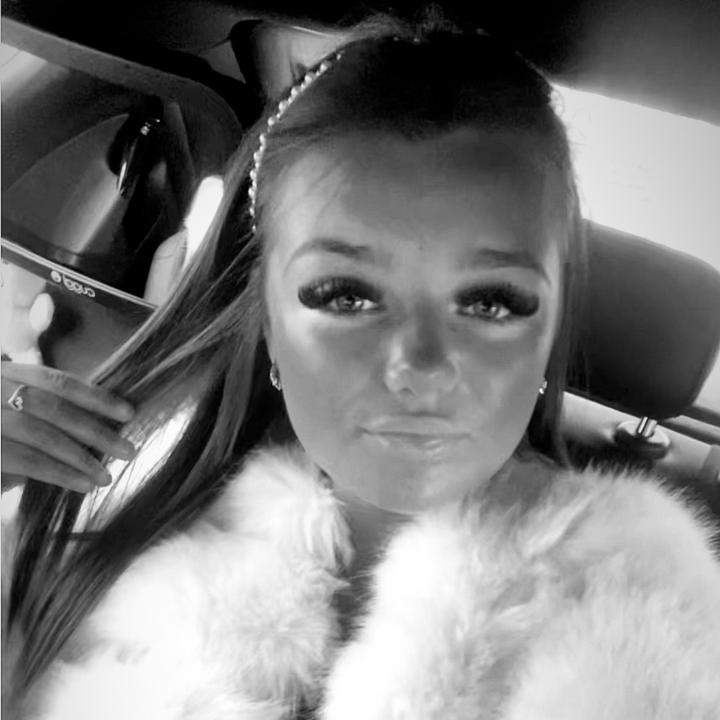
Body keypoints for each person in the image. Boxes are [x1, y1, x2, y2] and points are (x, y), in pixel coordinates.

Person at [3, 16, 720, 720]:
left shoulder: (646, 613)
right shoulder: (117, 501)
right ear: (270, 326)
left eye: (491, 303)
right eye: (345, 295)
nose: (420, 367)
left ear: (550, 331)